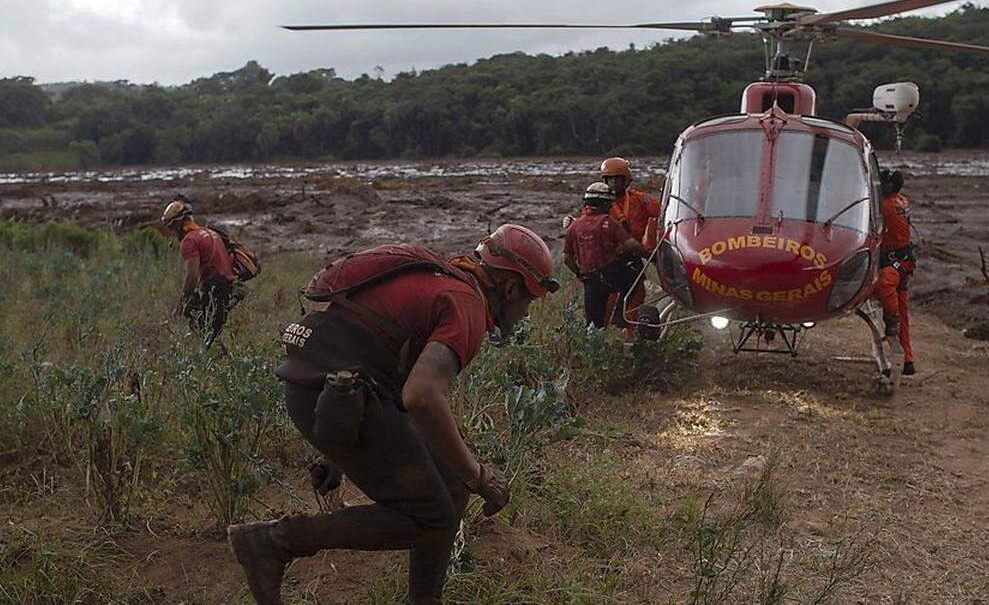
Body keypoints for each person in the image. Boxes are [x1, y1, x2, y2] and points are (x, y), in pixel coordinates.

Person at [227, 224, 559, 605]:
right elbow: (421, 396)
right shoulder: (466, 303)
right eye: (528, 302)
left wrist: (338, 450)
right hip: (335, 395)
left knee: (450, 486)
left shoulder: (445, 279)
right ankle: (274, 542)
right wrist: (479, 474)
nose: (525, 314)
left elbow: (376, 356)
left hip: (328, 391)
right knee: (431, 514)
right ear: (511, 289)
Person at [564, 182, 650, 328]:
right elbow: (632, 245)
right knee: (636, 274)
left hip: (590, 281)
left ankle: (594, 347)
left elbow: (567, 258)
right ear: (605, 204)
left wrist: (580, 274)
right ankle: (620, 313)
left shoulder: (574, 227)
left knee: (593, 325)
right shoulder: (609, 223)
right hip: (611, 276)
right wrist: (651, 256)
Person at [162, 200, 243, 347]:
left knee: (206, 332)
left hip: (216, 288)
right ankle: (222, 358)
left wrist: (180, 306)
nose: (173, 232)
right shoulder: (210, 233)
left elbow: (192, 276)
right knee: (210, 332)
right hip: (230, 286)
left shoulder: (190, 240)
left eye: (172, 227)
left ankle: (217, 361)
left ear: (178, 224)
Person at [599, 157, 661, 328]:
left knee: (637, 296)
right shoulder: (598, 203)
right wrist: (570, 221)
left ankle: (630, 332)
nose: (613, 184)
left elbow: (662, 211)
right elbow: (585, 221)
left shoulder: (640, 199)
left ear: (626, 181)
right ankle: (600, 336)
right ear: (604, 181)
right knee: (607, 299)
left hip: (634, 256)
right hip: (609, 259)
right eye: (610, 179)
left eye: (617, 179)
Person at [872, 169, 917, 375]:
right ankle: (907, 360)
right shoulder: (901, 201)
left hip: (897, 262)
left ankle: (891, 322)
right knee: (903, 311)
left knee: (884, 285)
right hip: (904, 261)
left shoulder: (886, 206)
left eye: (883, 184)